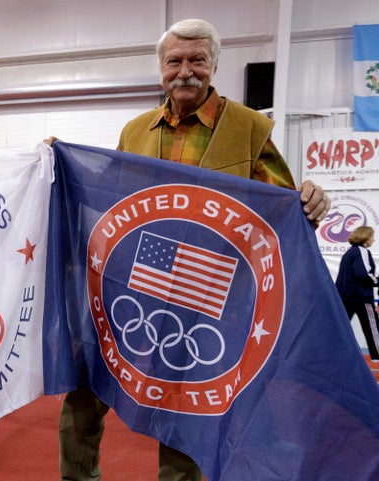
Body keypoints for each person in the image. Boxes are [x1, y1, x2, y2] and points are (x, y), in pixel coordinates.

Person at [47, 18, 331, 481]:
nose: (186, 71)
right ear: (161, 68)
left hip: (207, 296)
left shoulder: (250, 128)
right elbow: (110, 196)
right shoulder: (136, 129)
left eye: (197, 60)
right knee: (84, 390)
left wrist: (311, 203)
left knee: (187, 413)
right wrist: (61, 162)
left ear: (214, 64)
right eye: (175, 61)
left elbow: (282, 210)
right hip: (132, 285)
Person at [335, 225, 379, 361]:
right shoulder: (362, 251)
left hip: (345, 297)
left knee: (339, 328)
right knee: (373, 329)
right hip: (361, 297)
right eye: (372, 236)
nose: (373, 240)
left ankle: (333, 355)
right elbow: (363, 273)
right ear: (365, 237)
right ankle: (377, 355)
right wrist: (377, 280)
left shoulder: (349, 253)